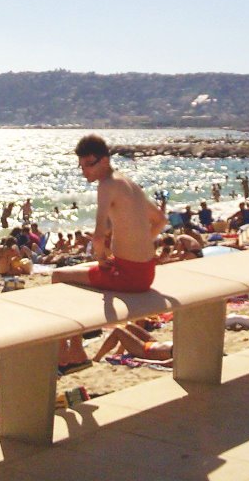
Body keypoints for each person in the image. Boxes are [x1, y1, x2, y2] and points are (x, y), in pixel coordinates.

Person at [52, 135, 166, 372]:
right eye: (81, 166)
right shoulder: (128, 184)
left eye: (88, 164)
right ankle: (72, 348)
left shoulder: (107, 185)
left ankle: (72, 351)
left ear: (104, 160)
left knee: (58, 276)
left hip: (129, 276)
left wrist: (103, 258)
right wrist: (139, 246)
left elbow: (98, 235)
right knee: (79, 271)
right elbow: (160, 220)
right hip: (145, 271)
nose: (84, 171)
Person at [91, 322, 172, 363]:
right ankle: (120, 352)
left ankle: (96, 358)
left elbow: (166, 363)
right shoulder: (183, 347)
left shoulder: (182, 357)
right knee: (129, 326)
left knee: (118, 330)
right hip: (154, 343)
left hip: (145, 351)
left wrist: (141, 360)